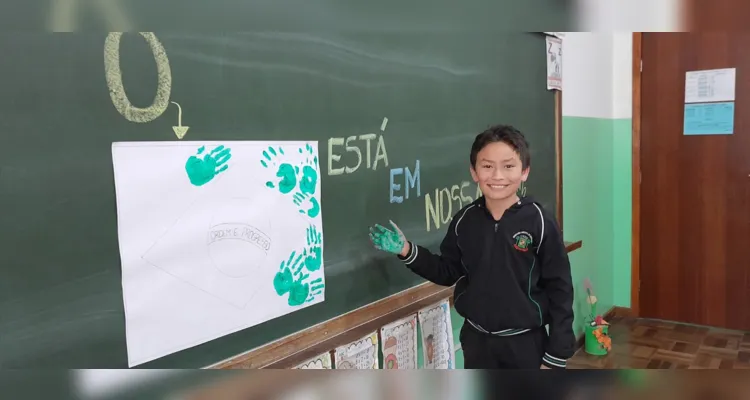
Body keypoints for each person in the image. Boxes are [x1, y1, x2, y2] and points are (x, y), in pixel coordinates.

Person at [369, 124, 574, 369]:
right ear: (474, 172)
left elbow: (560, 288)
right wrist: (406, 250)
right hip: (477, 342)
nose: (497, 176)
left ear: (525, 171)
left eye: (508, 166)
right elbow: (447, 271)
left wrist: (556, 355)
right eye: (487, 166)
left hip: (525, 343)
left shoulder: (540, 221)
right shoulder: (465, 221)